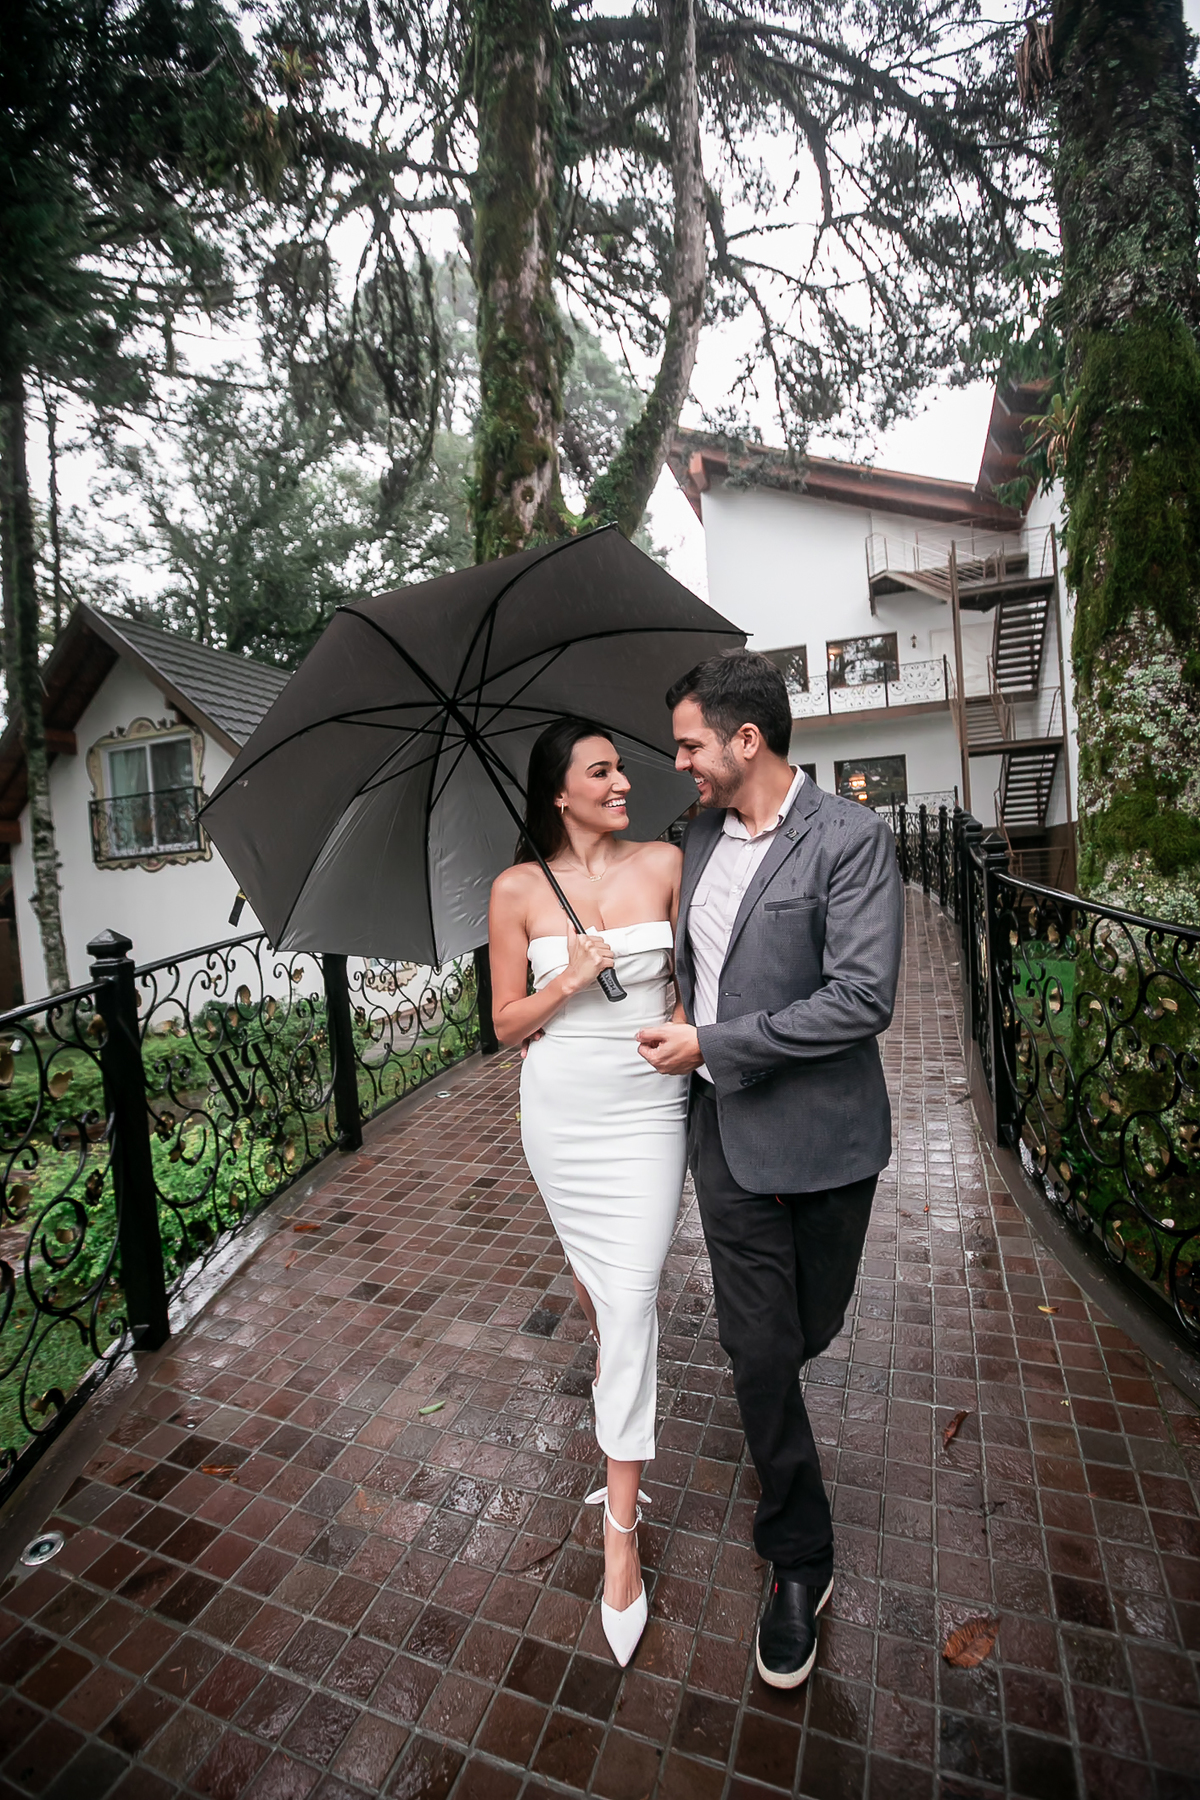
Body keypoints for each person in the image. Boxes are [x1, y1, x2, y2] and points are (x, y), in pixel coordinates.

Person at [636, 650, 903, 1690]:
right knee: (756, 1351)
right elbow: (696, 964)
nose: (681, 765)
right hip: (729, 1140)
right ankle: (800, 1554)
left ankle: (785, 1375)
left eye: (691, 745)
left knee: (807, 1330)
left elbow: (862, 998)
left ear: (747, 741)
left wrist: (714, 1040)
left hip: (831, 1143)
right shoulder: (694, 835)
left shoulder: (852, 838)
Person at [488, 717, 688, 1665]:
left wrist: (682, 1020)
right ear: (557, 792)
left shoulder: (664, 862)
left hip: (650, 1104)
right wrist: (566, 978)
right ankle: (621, 1430)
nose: (621, 781)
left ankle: (619, 1533)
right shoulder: (516, 889)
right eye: (599, 771)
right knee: (602, 1302)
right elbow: (500, 1023)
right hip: (561, 1114)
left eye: (620, 766)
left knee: (634, 1296)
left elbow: (695, 978)